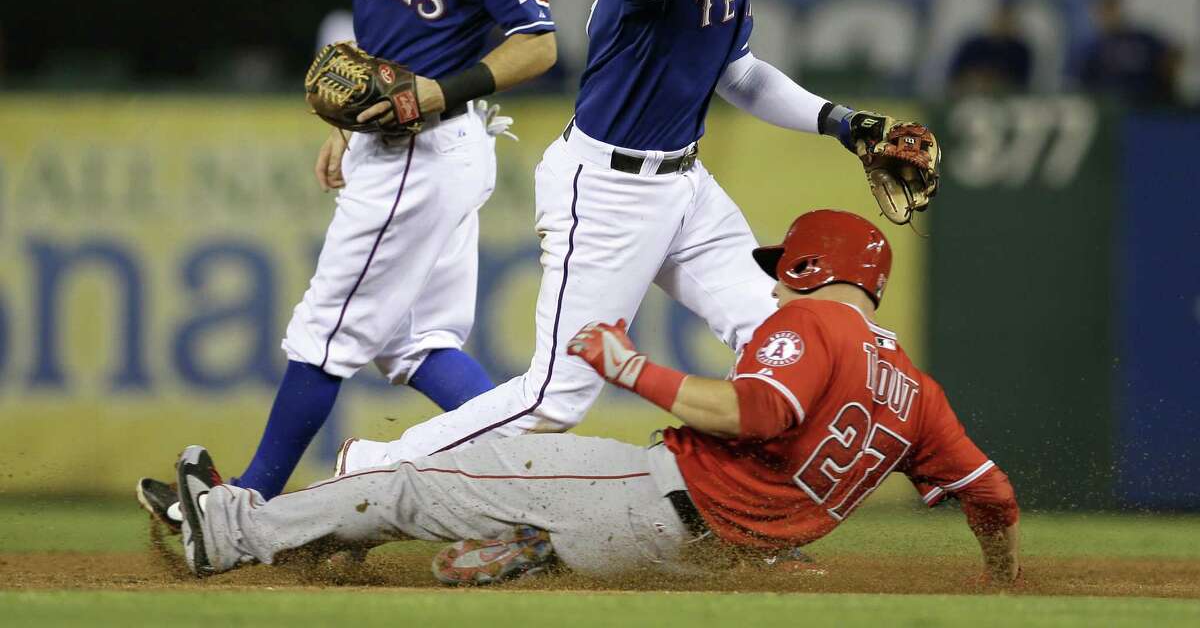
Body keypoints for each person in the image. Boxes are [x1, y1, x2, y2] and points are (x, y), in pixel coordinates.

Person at [333, 0, 933, 472]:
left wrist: (847, 125)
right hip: (609, 191)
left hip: (685, 186)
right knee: (553, 399)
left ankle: (733, 512)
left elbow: (740, 76)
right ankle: (367, 469)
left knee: (776, 333)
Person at [153, 210, 1021, 587]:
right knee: (508, 500)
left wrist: (629, 366)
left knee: (425, 478)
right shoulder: (918, 394)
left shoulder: (816, 331)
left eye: (785, 268)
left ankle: (230, 533)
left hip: (657, 504)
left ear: (809, 267)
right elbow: (993, 499)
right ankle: (524, 550)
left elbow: (755, 414)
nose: (778, 285)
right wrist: (1001, 585)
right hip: (706, 560)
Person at [137, 0, 557, 516]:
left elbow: (538, 45)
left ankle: (245, 503)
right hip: (399, 145)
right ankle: (540, 482)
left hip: (426, 148)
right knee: (415, 342)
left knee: (324, 327)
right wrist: (343, 125)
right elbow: (378, 37)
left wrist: (437, 90)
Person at [1079, 0, 1177, 104]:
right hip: (1112, 109)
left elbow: (1171, 56)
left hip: (1148, 106)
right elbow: (1082, 86)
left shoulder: (1142, 39)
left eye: (1112, 6)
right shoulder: (1092, 48)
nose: (1109, 13)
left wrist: (1168, 84)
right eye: (1104, 8)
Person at [947, 0, 1033, 95]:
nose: (1003, 22)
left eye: (1009, 16)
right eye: (1000, 15)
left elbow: (1020, 87)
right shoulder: (973, 46)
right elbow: (954, 81)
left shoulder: (1020, 51)